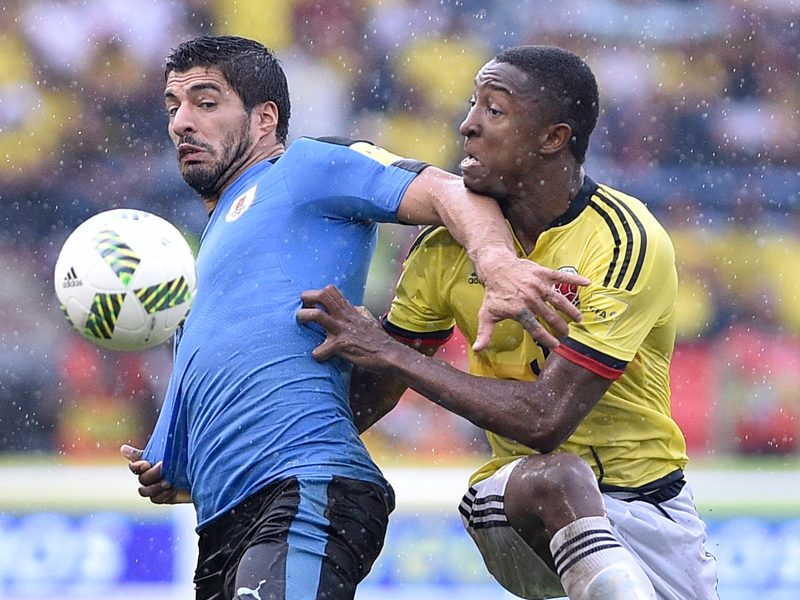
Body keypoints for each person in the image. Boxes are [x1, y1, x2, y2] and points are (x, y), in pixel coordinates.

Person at [119, 35, 588, 600]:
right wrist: (176, 461)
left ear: (265, 118)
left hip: (305, 488)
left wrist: (497, 263)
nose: (181, 122)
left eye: (205, 102)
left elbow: (452, 192)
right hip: (224, 519)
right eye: (173, 107)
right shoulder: (212, 243)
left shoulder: (304, 167)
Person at [297, 46, 719, 600]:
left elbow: (546, 418)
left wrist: (388, 352)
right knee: (560, 477)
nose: (468, 125)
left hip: (653, 507)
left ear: (552, 138)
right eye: (472, 104)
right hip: (519, 502)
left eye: (493, 110)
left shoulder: (623, 241)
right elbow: (365, 404)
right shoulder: (443, 248)